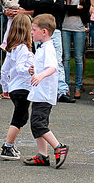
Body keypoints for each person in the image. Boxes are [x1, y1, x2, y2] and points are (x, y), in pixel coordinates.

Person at [19, 14, 69, 167]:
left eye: (34, 30)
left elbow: (53, 67)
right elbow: (43, 65)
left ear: (44, 32)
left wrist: (40, 74)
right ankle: (42, 155)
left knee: (38, 123)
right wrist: (36, 70)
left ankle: (59, 147)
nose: (31, 33)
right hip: (39, 92)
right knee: (36, 123)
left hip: (44, 93)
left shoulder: (48, 48)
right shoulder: (41, 48)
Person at [19, 0, 71, 102]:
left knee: (57, 60)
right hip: (38, 28)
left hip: (55, 28)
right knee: (39, 59)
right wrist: (50, 1)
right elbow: (30, 4)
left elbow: (60, 7)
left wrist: (42, 2)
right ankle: (39, 86)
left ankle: (61, 90)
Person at [0, 15, 35, 161]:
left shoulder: (12, 49)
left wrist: (6, 88)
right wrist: (29, 71)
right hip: (22, 88)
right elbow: (19, 68)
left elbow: (4, 70)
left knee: (23, 116)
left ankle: (10, 145)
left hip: (14, 88)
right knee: (19, 117)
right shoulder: (23, 49)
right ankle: (7, 145)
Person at [61, 0, 90, 98]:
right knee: (66, 57)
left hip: (79, 28)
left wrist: (71, 8)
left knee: (79, 58)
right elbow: (62, 7)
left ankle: (78, 86)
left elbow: (86, 10)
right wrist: (75, 8)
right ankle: (66, 85)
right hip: (65, 27)